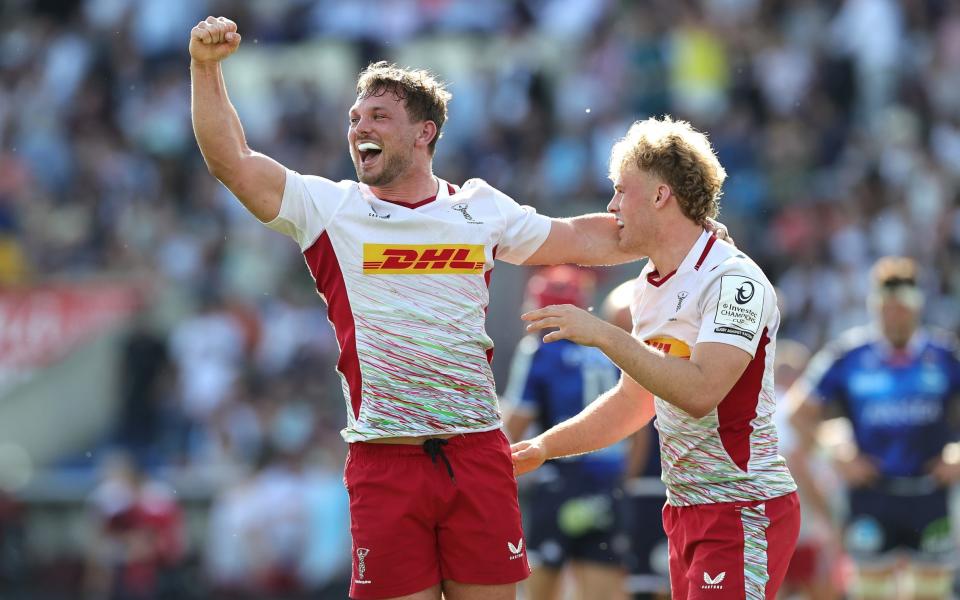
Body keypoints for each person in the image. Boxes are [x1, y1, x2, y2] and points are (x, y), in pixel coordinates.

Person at [189, 15, 664, 600]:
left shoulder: (480, 210)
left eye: (379, 116)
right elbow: (230, 162)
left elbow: (581, 236)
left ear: (424, 133)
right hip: (385, 462)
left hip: (476, 454)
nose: (360, 127)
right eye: (354, 119)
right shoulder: (330, 210)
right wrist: (206, 68)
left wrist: (673, 228)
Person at [512, 116, 800, 599]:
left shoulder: (734, 281)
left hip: (742, 507)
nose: (612, 206)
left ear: (661, 195)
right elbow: (633, 404)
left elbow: (700, 391)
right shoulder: (649, 286)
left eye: (622, 190)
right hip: (686, 509)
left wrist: (606, 335)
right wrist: (545, 447)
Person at [788, 257, 960, 600]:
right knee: (870, 592)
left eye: (903, 305)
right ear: (875, 306)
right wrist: (834, 449)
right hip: (872, 497)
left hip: (930, 494)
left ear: (917, 306)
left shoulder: (944, 355)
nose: (895, 313)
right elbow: (798, 413)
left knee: (931, 592)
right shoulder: (849, 354)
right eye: (887, 305)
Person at [502, 266, 629, 600]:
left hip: (558, 481)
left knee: (538, 592)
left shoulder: (540, 350)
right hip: (608, 481)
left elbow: (514, 424)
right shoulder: (609, 348)